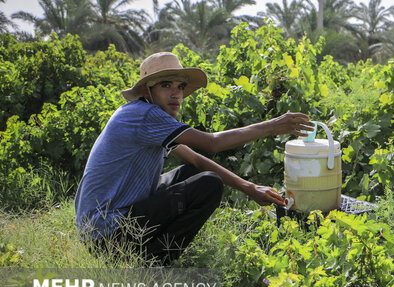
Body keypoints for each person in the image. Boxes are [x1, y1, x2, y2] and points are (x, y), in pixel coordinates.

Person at [75, 51, 313, 264]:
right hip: (107, 232)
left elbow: (197, 160)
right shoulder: (144, 115)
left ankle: (147, 252)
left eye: (180, 86)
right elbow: (212, 143)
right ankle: (151, 263)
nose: (176, 93)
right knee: (208, 185)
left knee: (195, 172)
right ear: (148, 90)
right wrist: (272, 126)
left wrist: (250, 188)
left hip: (105, 225)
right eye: (166, 85)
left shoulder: (146, 115)